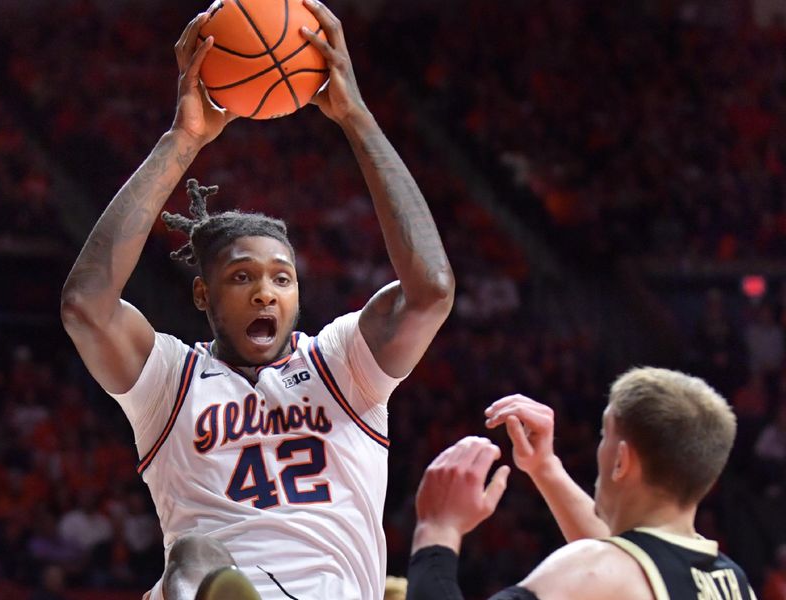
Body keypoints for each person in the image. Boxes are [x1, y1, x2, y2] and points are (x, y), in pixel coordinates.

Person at [59, 1, 454, 598]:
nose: (266, 291)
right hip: (223, 580)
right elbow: (86, 306)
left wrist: (357, 117)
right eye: (242, 278)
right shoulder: (172, 380)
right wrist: (182, 139)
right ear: (202, 293)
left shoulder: (340, 363)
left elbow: (430, 293)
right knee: (191, 557)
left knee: (188, 563)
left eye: (282, 278)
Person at [407, 367, 757, 600]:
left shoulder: (593, 568)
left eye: (604, 433)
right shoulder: (734, 582)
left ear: (621, 460)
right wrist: (545, 468)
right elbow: (630, 557)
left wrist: (437, 531)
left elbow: (608, 564)